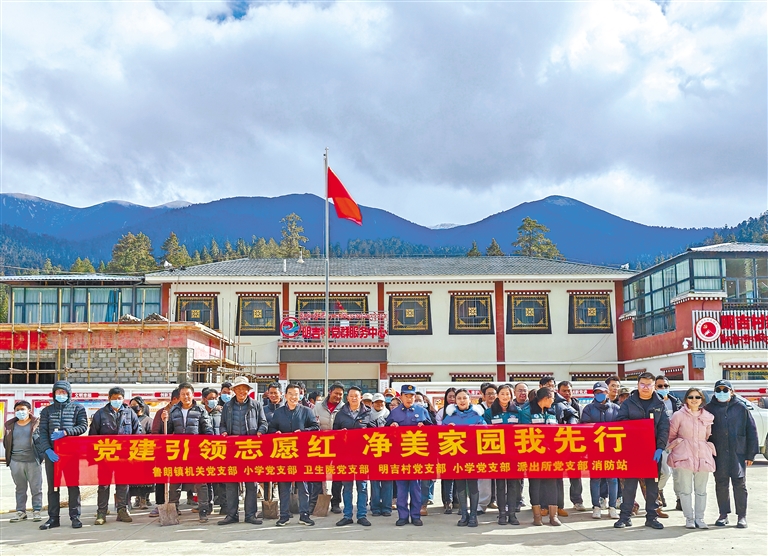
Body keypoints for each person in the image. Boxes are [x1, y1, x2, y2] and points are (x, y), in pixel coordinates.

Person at [613, 372, 669, 530]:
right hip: (632, 450)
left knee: (652, 486)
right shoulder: (628, 403)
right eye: (642, 384)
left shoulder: (659, 404)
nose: (645, 387)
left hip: (652, 452)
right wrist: (638, 427)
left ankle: (652, 517)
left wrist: (660, 447)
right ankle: (625, 517)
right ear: (638, 385)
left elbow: (664, 427)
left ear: (653, 386)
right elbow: (620, 422)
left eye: (649, 385)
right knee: (629, 486)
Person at [705, 379, 758, 529]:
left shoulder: (741, 408)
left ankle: (742, 516)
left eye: (725, 390)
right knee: (721, 483)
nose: (722, 393)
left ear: (732, 392)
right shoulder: (709, 409)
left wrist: (750, 454)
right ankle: (723, 514)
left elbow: (751, 431)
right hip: (718, 452)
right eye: (718, 390)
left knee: (739, 484)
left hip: (737, 452)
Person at [38, 380, 88, 530]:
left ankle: (75, 517)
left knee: (73, 485)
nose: (61, 394)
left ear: (69, 393)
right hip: (52, 455)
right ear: (54, 394)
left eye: (63, 392)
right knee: (53, 487)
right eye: (58, 392)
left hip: (71, 454)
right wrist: (47, 450)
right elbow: (42, 432)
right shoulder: (47, 411)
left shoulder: (78, 408)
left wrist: (66, 432)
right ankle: (53, 518)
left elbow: (83, 426)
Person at [218, 376, 268, 526]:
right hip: (232, 449)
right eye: (238, 389)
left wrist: (260, 431)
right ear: (234, 390)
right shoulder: (228, 406)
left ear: (248, 390)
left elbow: (264, 423)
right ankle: (232, 515)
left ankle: (250, 515)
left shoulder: (256, 405)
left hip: (250, 449)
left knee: (251, 483)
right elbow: (222, 424)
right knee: (231, 483)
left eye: (244, 389)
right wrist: (223, 432)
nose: (241, 391)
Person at [161, 382, 214, 523]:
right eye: (183, 394)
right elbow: (168, 431)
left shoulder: (200, 410)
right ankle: (173, 508)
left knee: (200, 482)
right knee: (175, 481)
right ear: (179, 396)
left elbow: (208, 431)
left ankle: (203, 510)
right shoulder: (174, 411)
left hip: (196, 452)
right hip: (178, 451)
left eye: (188, 394)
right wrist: (164, 420)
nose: (186, 397)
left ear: (193, 395)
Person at [268, 383, 319, 526]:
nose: (293, 397)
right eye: (290, 394)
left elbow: (315, 427)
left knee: (303, 486)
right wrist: (276, 433)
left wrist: (303, 432)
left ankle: (304, 515)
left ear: (300, 395)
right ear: (285, 396)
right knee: (284, 487)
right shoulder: (278, 413)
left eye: (296, 394)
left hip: (301, 454)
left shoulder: (307, 411)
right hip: (284, 454)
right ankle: (284, 516)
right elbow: (271, 428)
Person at [90, 386, 142, 525]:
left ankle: (122, 510)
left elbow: (137, 433)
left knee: (123, 484)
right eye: (114, 398)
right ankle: (101, 513)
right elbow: (93, 435)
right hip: (106, 455)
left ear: (123, 399)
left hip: (124, 456)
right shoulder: (100, 414)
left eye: (119, 398)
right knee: (104, 485)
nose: (117, 400)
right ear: (109, 398)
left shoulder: (130, 413)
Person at [667, 387, 715, 529]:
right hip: (684, 455)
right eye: (691, 397)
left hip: (702, 455)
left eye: (697, 397)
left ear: (702, 399)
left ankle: (700, 518)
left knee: (701, 490)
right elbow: (671, 434)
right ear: (686, 399)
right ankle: (689, 518)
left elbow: (707, 435)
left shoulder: (708, 416)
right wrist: (677, 445)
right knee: (685, 490)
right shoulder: (678, 415)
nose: (694, 400)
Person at [386, 384, 432, 526]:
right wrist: (392, 427)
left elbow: (432, 431)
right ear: (401, 397)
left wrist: (425, 428)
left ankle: (416, 516)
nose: (409, 398)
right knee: (401, 489)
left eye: (412, 396)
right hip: (400, 457)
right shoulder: (395, 413)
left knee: (416, 488)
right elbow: (385, 433)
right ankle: (403, 516)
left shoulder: (422, 411)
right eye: (406, 395)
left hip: (416, 456)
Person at [333, 386, 376, 526]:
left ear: (361, 398)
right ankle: (347, 515)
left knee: (362, 487)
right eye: (351, 396)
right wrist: (341, 434)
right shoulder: (340, 414)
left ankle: (362, 515)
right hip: (345, 457)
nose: (353, 398)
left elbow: (375, 434)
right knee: (347, 487)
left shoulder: (368, 413)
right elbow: (333, 435)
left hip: (362, 457)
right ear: (347, 398)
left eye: (356, 396)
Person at [519, 388, 562, 526]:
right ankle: (537, 516)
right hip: (534, 454)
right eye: (552, 398)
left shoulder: (552, 412)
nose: (553, 401)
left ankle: (553, 516)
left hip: (551, 455)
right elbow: (525, 433)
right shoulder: (527, 411)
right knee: (535, 484)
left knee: (552, 484)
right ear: (546, 398)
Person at [443, 389, 485, 527]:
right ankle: (464, 514)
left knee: (472, 485)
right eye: (459, 398)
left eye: (464, 398)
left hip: (473, 456)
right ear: (455, 401)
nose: (462, 401)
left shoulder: (477, 416)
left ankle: (473, 515)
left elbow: (486, 433)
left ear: (469, 399)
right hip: (457, 457)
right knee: (460, 485)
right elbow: (441, 436)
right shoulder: (449, 417)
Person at [484, 384, 523, 525]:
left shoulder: (518, 411)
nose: (505, 396)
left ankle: (512, 514)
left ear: (511, 396)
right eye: (502, 394)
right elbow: (484, 432)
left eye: (508, 394)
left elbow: (523, 431)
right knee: (500, 485)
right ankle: (501, 514)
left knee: (513, 485)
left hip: (514, 454)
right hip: (498, 454)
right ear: (497, 395)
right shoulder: (489, 412)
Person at [580, 381, 620, 519]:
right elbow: (585, 427)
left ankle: (612, 507)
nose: (599, 395)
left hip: (611, 449)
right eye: (597, 392)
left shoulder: (615, 408)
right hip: (594, 449)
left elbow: (621, 427)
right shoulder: (588, 409)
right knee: (595, 479)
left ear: (607, 393)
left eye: (602, 392)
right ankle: (596, 506)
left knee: (612, 479)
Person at [4, 400, 43, 523]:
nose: (20, 412)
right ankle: (21, 512)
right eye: (17, 410)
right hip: (16, 462)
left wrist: (41, 456)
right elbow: (6, 442)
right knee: (20, 488)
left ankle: (37, 511)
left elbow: (41, 441)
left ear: (29, 411)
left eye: (23, 409)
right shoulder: (10, 425)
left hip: (33, 461)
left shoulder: (36, 424)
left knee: (36, 488)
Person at [312, 383, 344, 514]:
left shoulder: (344, 408)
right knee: (319, 474)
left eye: (340, 394)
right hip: (320, 445)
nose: (338, 396)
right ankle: (318, 501)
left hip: (338, 446)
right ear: (330, 392)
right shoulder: (317, 407)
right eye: (336, 393)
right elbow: (312, 423)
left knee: (338, 475)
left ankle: (335, 502)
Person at [148, 388, 180, 518]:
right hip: (163, 451)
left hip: (178, 451)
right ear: (174, 399)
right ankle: (160, 503)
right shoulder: (161, 413)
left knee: (177, 478)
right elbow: (155, 433)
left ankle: (174, 504)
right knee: (161, 478)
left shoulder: (181, 412)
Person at [654, 374, 682, 516]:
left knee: (678, 473)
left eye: (665, 386)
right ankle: (657, 492)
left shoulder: (675, 402)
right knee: (665, 472)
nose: (663, 388)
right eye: (660, 386)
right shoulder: (652, 403)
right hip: (661, 443)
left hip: (676, 442)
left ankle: (680, 499)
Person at [557, 380, 585, 512]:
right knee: (558, 475)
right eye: (564, 391)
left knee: (575, 474)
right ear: (558, 392)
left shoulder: (577, 406)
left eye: (569, 390)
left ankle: (577, 500)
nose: (567, 393)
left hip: (574, 446)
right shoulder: (555, 406)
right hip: (559, 445)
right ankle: (558, 504)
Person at [369, 393, 393, 518]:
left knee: (387, 482)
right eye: (376, 402)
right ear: (372, 404)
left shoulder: (390, 416)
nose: (379, 404)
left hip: (388, 453)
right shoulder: (367, 416)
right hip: (373, 453)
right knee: (374, 483)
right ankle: (375, 507)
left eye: (381, 402)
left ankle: (387, 507)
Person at [202, 387, 226, 514]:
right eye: (211, 398)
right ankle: (207, 506)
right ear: (204, 399)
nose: (214, 401)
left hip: (219, 451)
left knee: (222, 480)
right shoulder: (199, 413)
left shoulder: (221, 413)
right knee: (206, 482)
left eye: (215, 398)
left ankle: (224, 506)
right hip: (204, 451)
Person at [128, 396, 154, 510]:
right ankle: (134, 500)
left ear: (141, 406)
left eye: (135, 405)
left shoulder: (148, 420)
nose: (133, 407)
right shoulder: (128, 420)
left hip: (144, 452)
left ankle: (143, 499)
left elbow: (152, 436)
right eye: (131, 405)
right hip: (131, 453)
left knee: (144, 479)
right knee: (132, 479)